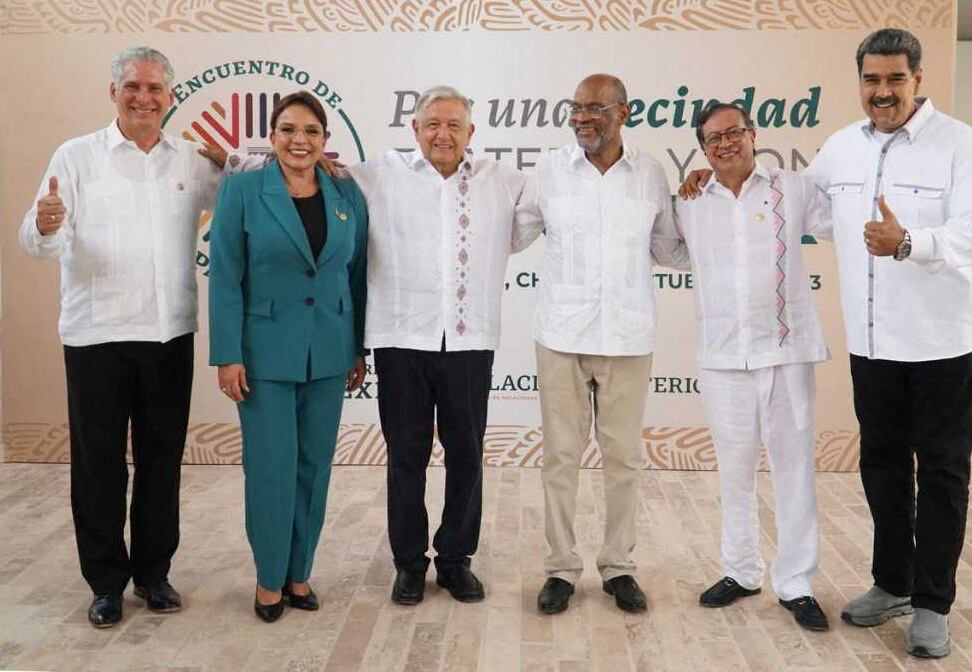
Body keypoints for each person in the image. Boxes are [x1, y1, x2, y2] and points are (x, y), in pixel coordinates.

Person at [680, 28, 972, 658]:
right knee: (881, 470)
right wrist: (707, 177)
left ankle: (932, 604)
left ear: (917, 78)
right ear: (859, 83)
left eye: (895, 79)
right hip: (875, 344)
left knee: (940, 475)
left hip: (943, 343)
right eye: (872, 80)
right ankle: (891, 581)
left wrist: (912, 242)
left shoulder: (961, 145)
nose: (883, 92)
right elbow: (784, 195)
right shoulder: (838, 150)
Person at [19, 46, 230, 628]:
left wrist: (235, 159)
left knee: (162, 461)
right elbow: (36, 237)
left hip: (169, 334)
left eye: (155, 88)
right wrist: (45, 223)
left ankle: (154, 574)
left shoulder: (191, 159)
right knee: (99, 465)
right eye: (133, 86)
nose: (144, 97)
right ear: (113, 93)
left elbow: (249, 195)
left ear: (170, 96)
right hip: (96, 336)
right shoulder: (77, 156)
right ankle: (106, 583)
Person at [342, 86, 538, 605]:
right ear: (415, 129)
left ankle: (455, 559)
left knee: (467, 454)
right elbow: (313, 168)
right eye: (432, 124)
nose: (442, 134)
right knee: (405, 455)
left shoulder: (506, 181)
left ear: (471, 133)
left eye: (453, 125)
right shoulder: (380, 174)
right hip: (401, 337)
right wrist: (231, 161)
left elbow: (555, 202)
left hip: (471, 340)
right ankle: (408, 564)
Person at [663, 103, 831, 631]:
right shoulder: (689, 202)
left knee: (793, 471)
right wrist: (685, 187)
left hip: (786, 353)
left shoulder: (794, 187)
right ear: (702, 147)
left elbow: (839, 222)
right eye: (713, 138)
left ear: (754, 135)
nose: (726, 143)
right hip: (722, 357)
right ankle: (740, 571)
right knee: (734, 471)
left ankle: (796, 583)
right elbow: (664, 251)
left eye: (734, 132)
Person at [517, 74, 679, 615]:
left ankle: (619, 566)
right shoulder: (547, 172)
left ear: (623, 112)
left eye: (594, 108)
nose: (582, 117)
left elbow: (671, 248)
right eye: (576, 108)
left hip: (628, 337)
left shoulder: (652, 174)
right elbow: (511, 232)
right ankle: (561, 567)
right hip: (561, 335)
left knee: (624, 459)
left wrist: (708, 197)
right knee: (560, 458)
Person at [209, 91, 368, 623]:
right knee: (271, 468)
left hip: (328, 352)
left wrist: (355, 350)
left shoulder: (347, 194)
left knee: (313, 467)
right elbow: (226, 275)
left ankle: (300, 572)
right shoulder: (243, 191)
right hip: (263, 356)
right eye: (288, 130)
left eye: (311, 132)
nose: (300, 140)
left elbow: (356, 276)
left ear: (325, 139)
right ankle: (269, 578)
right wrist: (227, 354)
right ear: (272, 136)